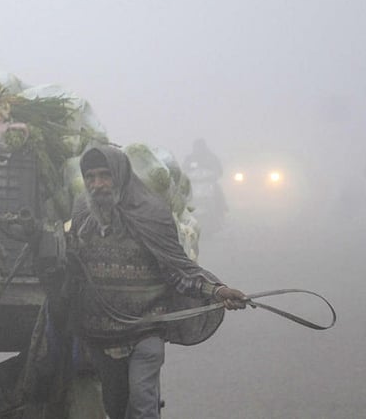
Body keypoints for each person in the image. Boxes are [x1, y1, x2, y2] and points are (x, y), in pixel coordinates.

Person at [67, 145, 247, 419]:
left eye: (105, 175)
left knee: (142, 402)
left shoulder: (150, 214)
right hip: (100, 334)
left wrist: (217, 291)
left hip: (145, 330)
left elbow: (177, 270)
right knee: (115, 407)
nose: (97, 184)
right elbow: (72, 269)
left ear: (120, 175)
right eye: (90, 177)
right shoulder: (82, 217)